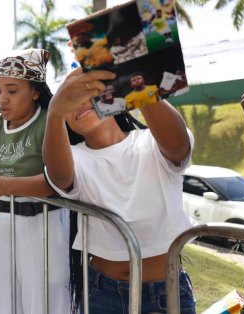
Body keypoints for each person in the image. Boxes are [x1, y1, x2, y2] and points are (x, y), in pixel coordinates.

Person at [43, 67, 196, 313]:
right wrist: (54, 113)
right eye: (71, 100)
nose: (81, 103)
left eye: (91, 93)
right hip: (101, 292)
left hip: (165, 293)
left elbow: (178, 147)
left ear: (112, 96)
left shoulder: (150, 140)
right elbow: (59, 176)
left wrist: (135, 82)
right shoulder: (75, 157)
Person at [0, 49, 71, 314]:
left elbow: (57, 181)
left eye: (12, 91)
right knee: (1, 302)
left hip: (47, 224)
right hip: (3, 224)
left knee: (46, 302)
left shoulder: (50, 122)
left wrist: (6, 185)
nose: (2, 99)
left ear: (35, 91)